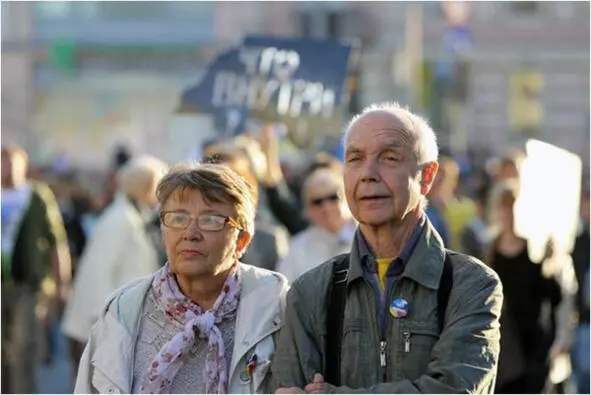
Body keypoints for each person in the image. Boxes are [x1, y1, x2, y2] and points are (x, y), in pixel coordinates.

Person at [272, 102, 503, 393]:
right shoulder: (310, 292)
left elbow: (453, 390)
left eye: (389, 157)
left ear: (427, 176)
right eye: (355, 159)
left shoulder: (470, 285)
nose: (368, 173)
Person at [74, 163, 289, 394]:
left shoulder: (275, 305)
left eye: (211, 220)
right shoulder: (123, 311)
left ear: (242, 241)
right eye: (178, 218)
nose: (190, 233)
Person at [62, 156, 168, 376]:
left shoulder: (133, 216)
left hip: (125, 324)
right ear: (147, 186)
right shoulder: (120, 220)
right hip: (110, 327)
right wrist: (103, 324)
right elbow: (97, 274)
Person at [1, 144, 72, 393]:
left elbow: (56, 241)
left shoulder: (35, 196)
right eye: (2, 161)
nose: (5, 167)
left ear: (23, 165)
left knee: (23, 347)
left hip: (26, 284)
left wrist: (62, 282)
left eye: (10, 161)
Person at [486, 182, 562, 393]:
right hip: (502, 346)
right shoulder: (490, 251)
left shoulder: (536, 248)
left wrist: (549, 265)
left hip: (533, 345)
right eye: (503, 206)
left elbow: (555, 297)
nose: (507, 213)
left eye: (512, 206)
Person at [203, 148, 289, 271]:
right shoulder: (183, 237)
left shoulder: (270, 241)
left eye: (239, 182)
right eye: (218, 184)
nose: (230, 192)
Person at [276, 168, 356, 283]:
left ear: (347, 198)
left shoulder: (370, 236)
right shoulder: (297, 248)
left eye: (333, 197)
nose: (326, 207)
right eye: (317, 202)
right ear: (307, 210)